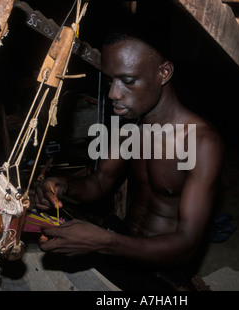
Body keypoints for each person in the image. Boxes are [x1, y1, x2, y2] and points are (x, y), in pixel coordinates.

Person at [35, 25, 224, 290]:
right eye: (111, 80)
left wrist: (104, 242)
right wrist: (64, 184)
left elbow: (187, 244)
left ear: (164, 73)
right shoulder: (129, 128)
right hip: (121, 241)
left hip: (165, 266)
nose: (113, 93)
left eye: (127, 80)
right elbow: (100, 183)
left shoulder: (201, 142)